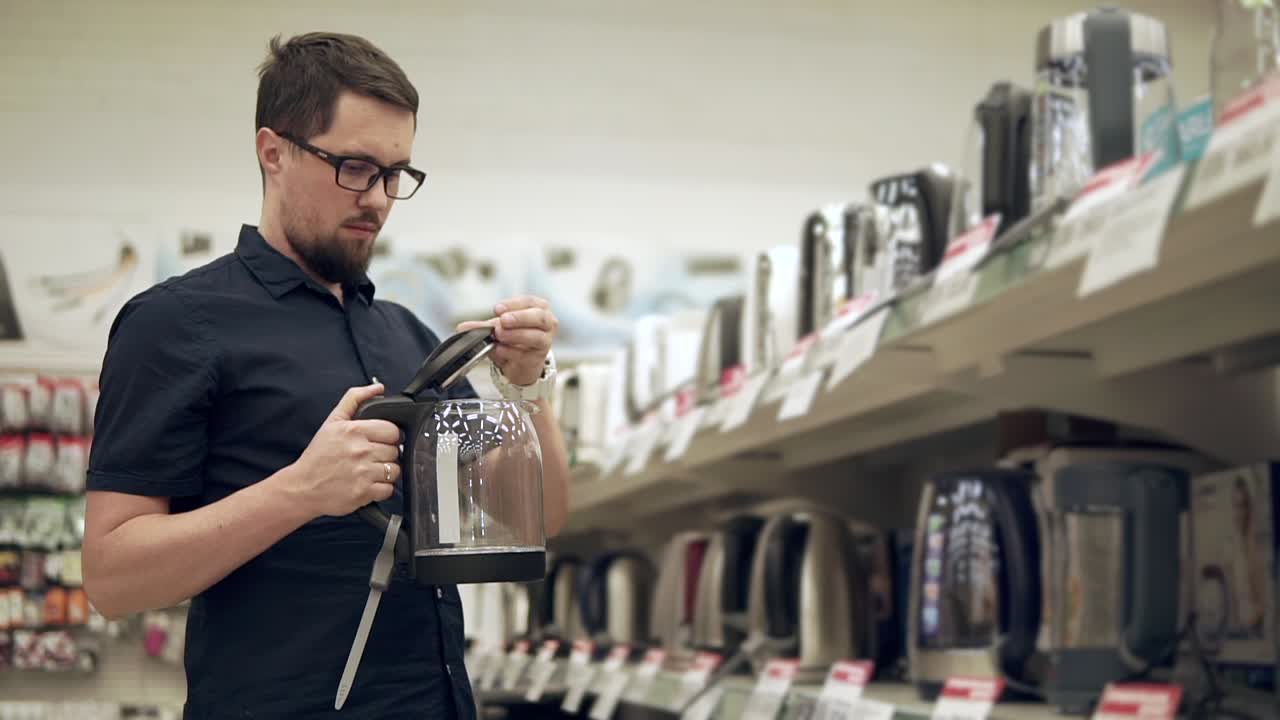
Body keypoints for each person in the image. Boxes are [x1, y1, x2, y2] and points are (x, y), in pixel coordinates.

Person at [81, 31, 571, 719]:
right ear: (272, 152)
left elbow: (537, 519)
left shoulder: (407, 335)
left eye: (395, 173)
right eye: (353, 167)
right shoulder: (177, 324)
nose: (377, 198)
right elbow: (110, 576)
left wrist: (528, 388)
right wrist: (300, 492)